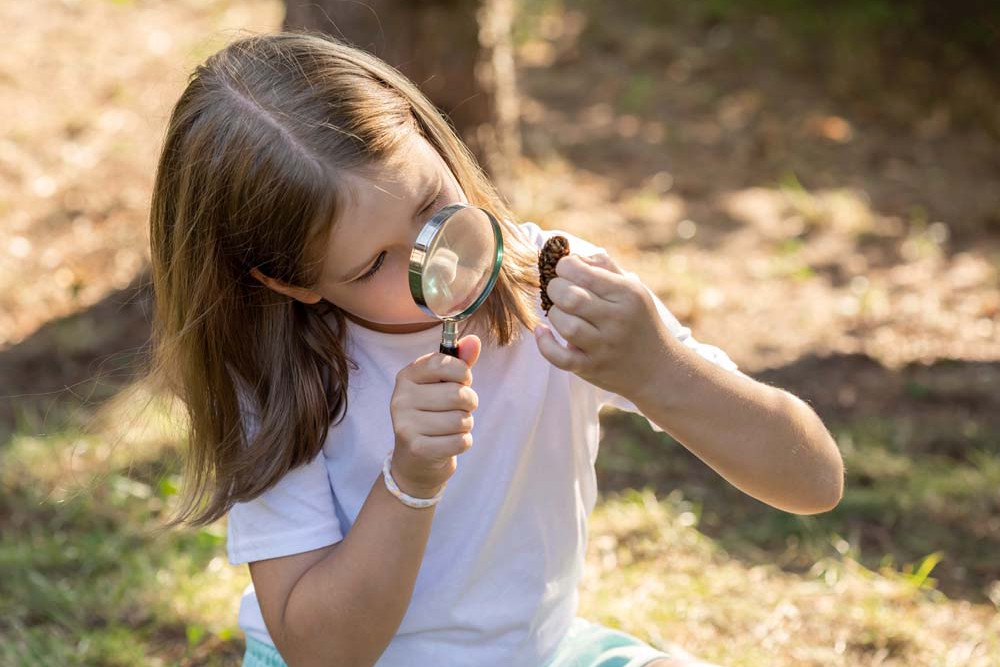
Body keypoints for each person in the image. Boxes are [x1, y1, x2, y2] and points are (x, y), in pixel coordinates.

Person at [147, 31, 844, 667]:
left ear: (427, 134)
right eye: (372, 266)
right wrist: (408, 480)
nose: (433, 259)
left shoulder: (561, 287)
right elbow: (322, 651)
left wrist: (660, 368)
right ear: (290, 282)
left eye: (429, 205)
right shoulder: (273, 374)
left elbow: (814, 481)